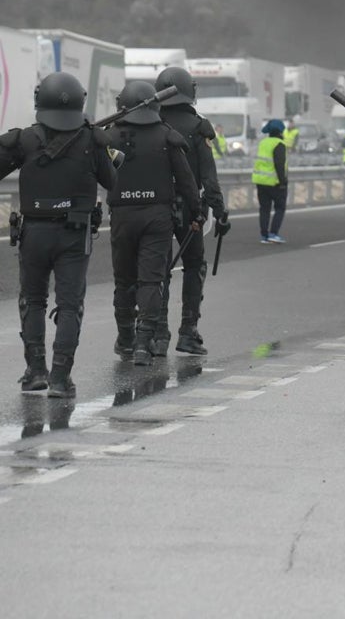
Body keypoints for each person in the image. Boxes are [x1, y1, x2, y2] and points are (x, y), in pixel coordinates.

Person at [0, 73, 117, 397]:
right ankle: (61, 379)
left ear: (40, 101)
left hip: (33, 233)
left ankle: (35, 371)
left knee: (33, 301)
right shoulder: (92, 140)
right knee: (69, 305)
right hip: (74, 234)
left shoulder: (23, 139)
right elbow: (113, 182)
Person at [108, 81, 202, 366]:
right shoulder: (167, 136)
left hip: (122, 217)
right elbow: (186, 181)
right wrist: (196, 212)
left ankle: (125, 338)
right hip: (157, 218)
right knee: (151, 280)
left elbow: (96, 176)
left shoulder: (109, 138)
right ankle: (142, 341)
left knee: (124, 280)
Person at [154, 67, 231, 356]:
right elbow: (209, 177)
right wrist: (220, 211)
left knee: (158, 268)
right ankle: (189, 332)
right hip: (190, 207)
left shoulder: (151, 121)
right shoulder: (199, 126)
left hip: (157, 206)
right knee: (194, 264)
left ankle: (157, 334)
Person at [253, 119, 288, 243]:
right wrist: (283, 182)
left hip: (260, 181)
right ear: (280, 131)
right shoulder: (279, 144)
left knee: (264, 209)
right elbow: (279, 164)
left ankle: (264, 236)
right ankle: (273, 233)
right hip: (275, 182)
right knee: (280, 207)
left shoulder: (263, 142)